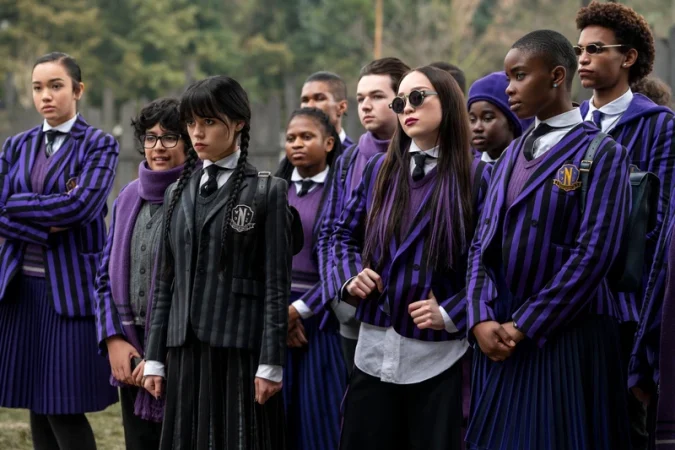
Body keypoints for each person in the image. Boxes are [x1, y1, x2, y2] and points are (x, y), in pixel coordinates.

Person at [466, 30, 632, 450]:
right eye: (508, 77)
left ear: (557, 76)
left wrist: (526, 324)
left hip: (568, 336)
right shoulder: (509, 155)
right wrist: (479, 317)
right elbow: (481, 244)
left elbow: (594, 254)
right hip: (500, 337)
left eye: (520, 75)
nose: (509, 88)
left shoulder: (602, 153)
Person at [335, 65, 492, 450]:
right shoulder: (378, 170)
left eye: (418, 97)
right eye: (400, 101)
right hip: (372, 349)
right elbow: (341, 236)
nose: (407, 107)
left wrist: (452, 311)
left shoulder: (477, 176)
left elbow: (490, 260)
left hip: (438, 355)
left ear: (449, 102)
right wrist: (352, 276)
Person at [142, 76, 292, 449]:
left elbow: (276, 285)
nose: (197, 132)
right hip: (183, 350)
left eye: (209, 121)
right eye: (191, 123)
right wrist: (155, 357)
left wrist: (271, 362)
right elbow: (165, 281)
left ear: (238, 122)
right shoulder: (176, 192)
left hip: (239, 351)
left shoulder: (267, 191)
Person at [0, 52, 119, 450]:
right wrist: (47, 226)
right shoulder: (16, 145)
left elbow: (79, 209)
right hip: (21, 289)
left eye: (56, 86)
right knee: (37, 402)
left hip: (69, 290)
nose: (45, 96)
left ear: (78, 90)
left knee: (63, 405)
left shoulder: (99, 145)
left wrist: (15, 205)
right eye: (38, 88)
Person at [576, 4, 675, 447]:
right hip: (564, 306)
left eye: (596, 49)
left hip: (624, 309)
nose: (583, 59)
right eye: (579, 50)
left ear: (629, 57)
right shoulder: (568, 124)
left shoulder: (659, 126)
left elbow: (659, 223)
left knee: (622, 429)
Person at [95, 98, 198, 450]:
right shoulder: (127, 197)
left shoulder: (199, 199)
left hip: (179, 351)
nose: (158, 147)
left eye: (170, 137)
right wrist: (113, 339)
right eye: (151, 137)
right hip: (129, 349)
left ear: (189, 142)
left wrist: (162, 354)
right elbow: (103, 277)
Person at [318, 57, 410, 373]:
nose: (366, 105)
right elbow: (329, 231)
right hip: (355, 308)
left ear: (402, 100)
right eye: (360, 99)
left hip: (411, 310)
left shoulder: (423, 156)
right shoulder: (348, 160)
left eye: (377, 96)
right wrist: (344, 286)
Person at [275, 107, 346, 450]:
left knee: (319, 420)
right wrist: (280, 314)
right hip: (275, 317)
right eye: (291, 138)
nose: (297, 144)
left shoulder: (342, 192)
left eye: (307, 137)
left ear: (329, 143)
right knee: (277, 417)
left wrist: (299, 311)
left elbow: (340, 263)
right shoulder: (274, 191)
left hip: (322, 319)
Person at [467, 71, 532, 163]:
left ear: (511, 122)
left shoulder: (528, 163)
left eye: (487, 118)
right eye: (472, 119)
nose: (477, 128)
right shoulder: (465, 164)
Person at [300, 71, 353, 147]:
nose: (309, 106)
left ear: (342, 107)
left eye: (319, 99)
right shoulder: (296, 152)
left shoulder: (357, 154)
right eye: (305, 100)